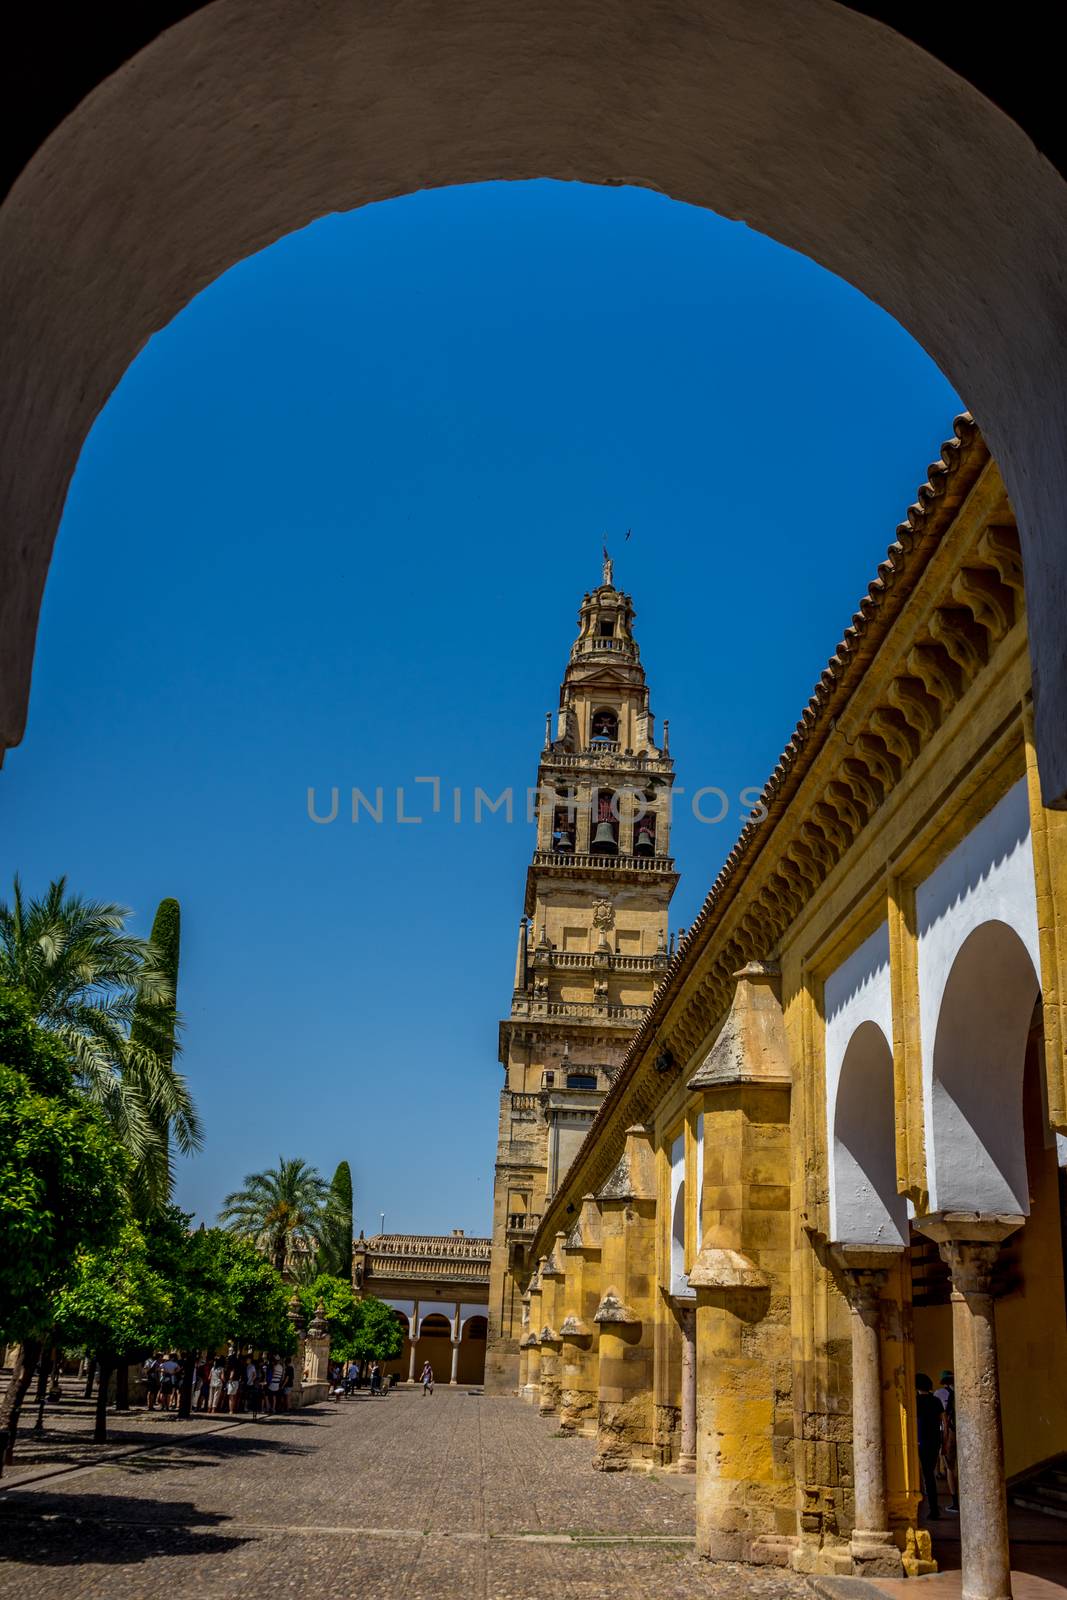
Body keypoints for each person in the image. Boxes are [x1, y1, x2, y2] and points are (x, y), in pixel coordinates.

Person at [915, 1372, 945, 1520]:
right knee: (930, 1475)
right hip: (934, 1441)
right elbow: (943, 1421)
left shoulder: (916, 1401)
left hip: (920, 1441)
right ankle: (933, 1507)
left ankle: (925, 1507)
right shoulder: (936, 1401)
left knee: (922, 1476)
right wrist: (943, 1440)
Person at [934, 1369, 959, 1513]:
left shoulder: (939, 1394)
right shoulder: (961, 1392)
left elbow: (941, 1417)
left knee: (949, 1467)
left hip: (949, 1432)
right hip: (962, 1431)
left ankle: (955, 1502)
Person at [245, 1356, 262, 1421]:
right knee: (247, 1396)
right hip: (247, 1383)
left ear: (250, 1360)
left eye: (248, 1359)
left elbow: (254, 1375)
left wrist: (251, 1381)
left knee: (250, 1396)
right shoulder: (247, 1366)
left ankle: (250, 1408)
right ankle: (247, 1407)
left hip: (250, 1383)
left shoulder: (252, 1366)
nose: (247, 1360)